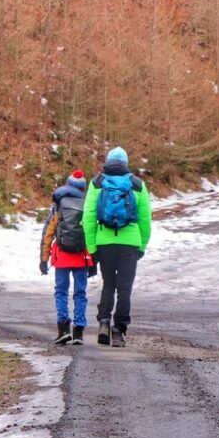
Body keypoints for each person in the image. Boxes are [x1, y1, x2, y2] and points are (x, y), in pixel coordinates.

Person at [83, 147, 151, 348]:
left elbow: (88, 218)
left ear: (107, 161)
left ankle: (104, 323)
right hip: (130, 242)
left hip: (104, 242)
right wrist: (142, 245)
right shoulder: (137, 184)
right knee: (125, 289)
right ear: (126, 163)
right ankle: (119, 331)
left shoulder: (97, 183)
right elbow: (145, 220)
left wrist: (92, 248)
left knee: (108, 284)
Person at [39, 170, 97, 345]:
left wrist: (43, 258)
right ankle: (79, 331)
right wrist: (94, 260)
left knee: (61, 292)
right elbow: (92, 232)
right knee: (80, 293)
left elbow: (48, 233)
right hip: (81, 256)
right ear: (83, 187)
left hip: (62, 256)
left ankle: (63, 328)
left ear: (68, 185)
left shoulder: (59, 204)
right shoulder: (87, 203)